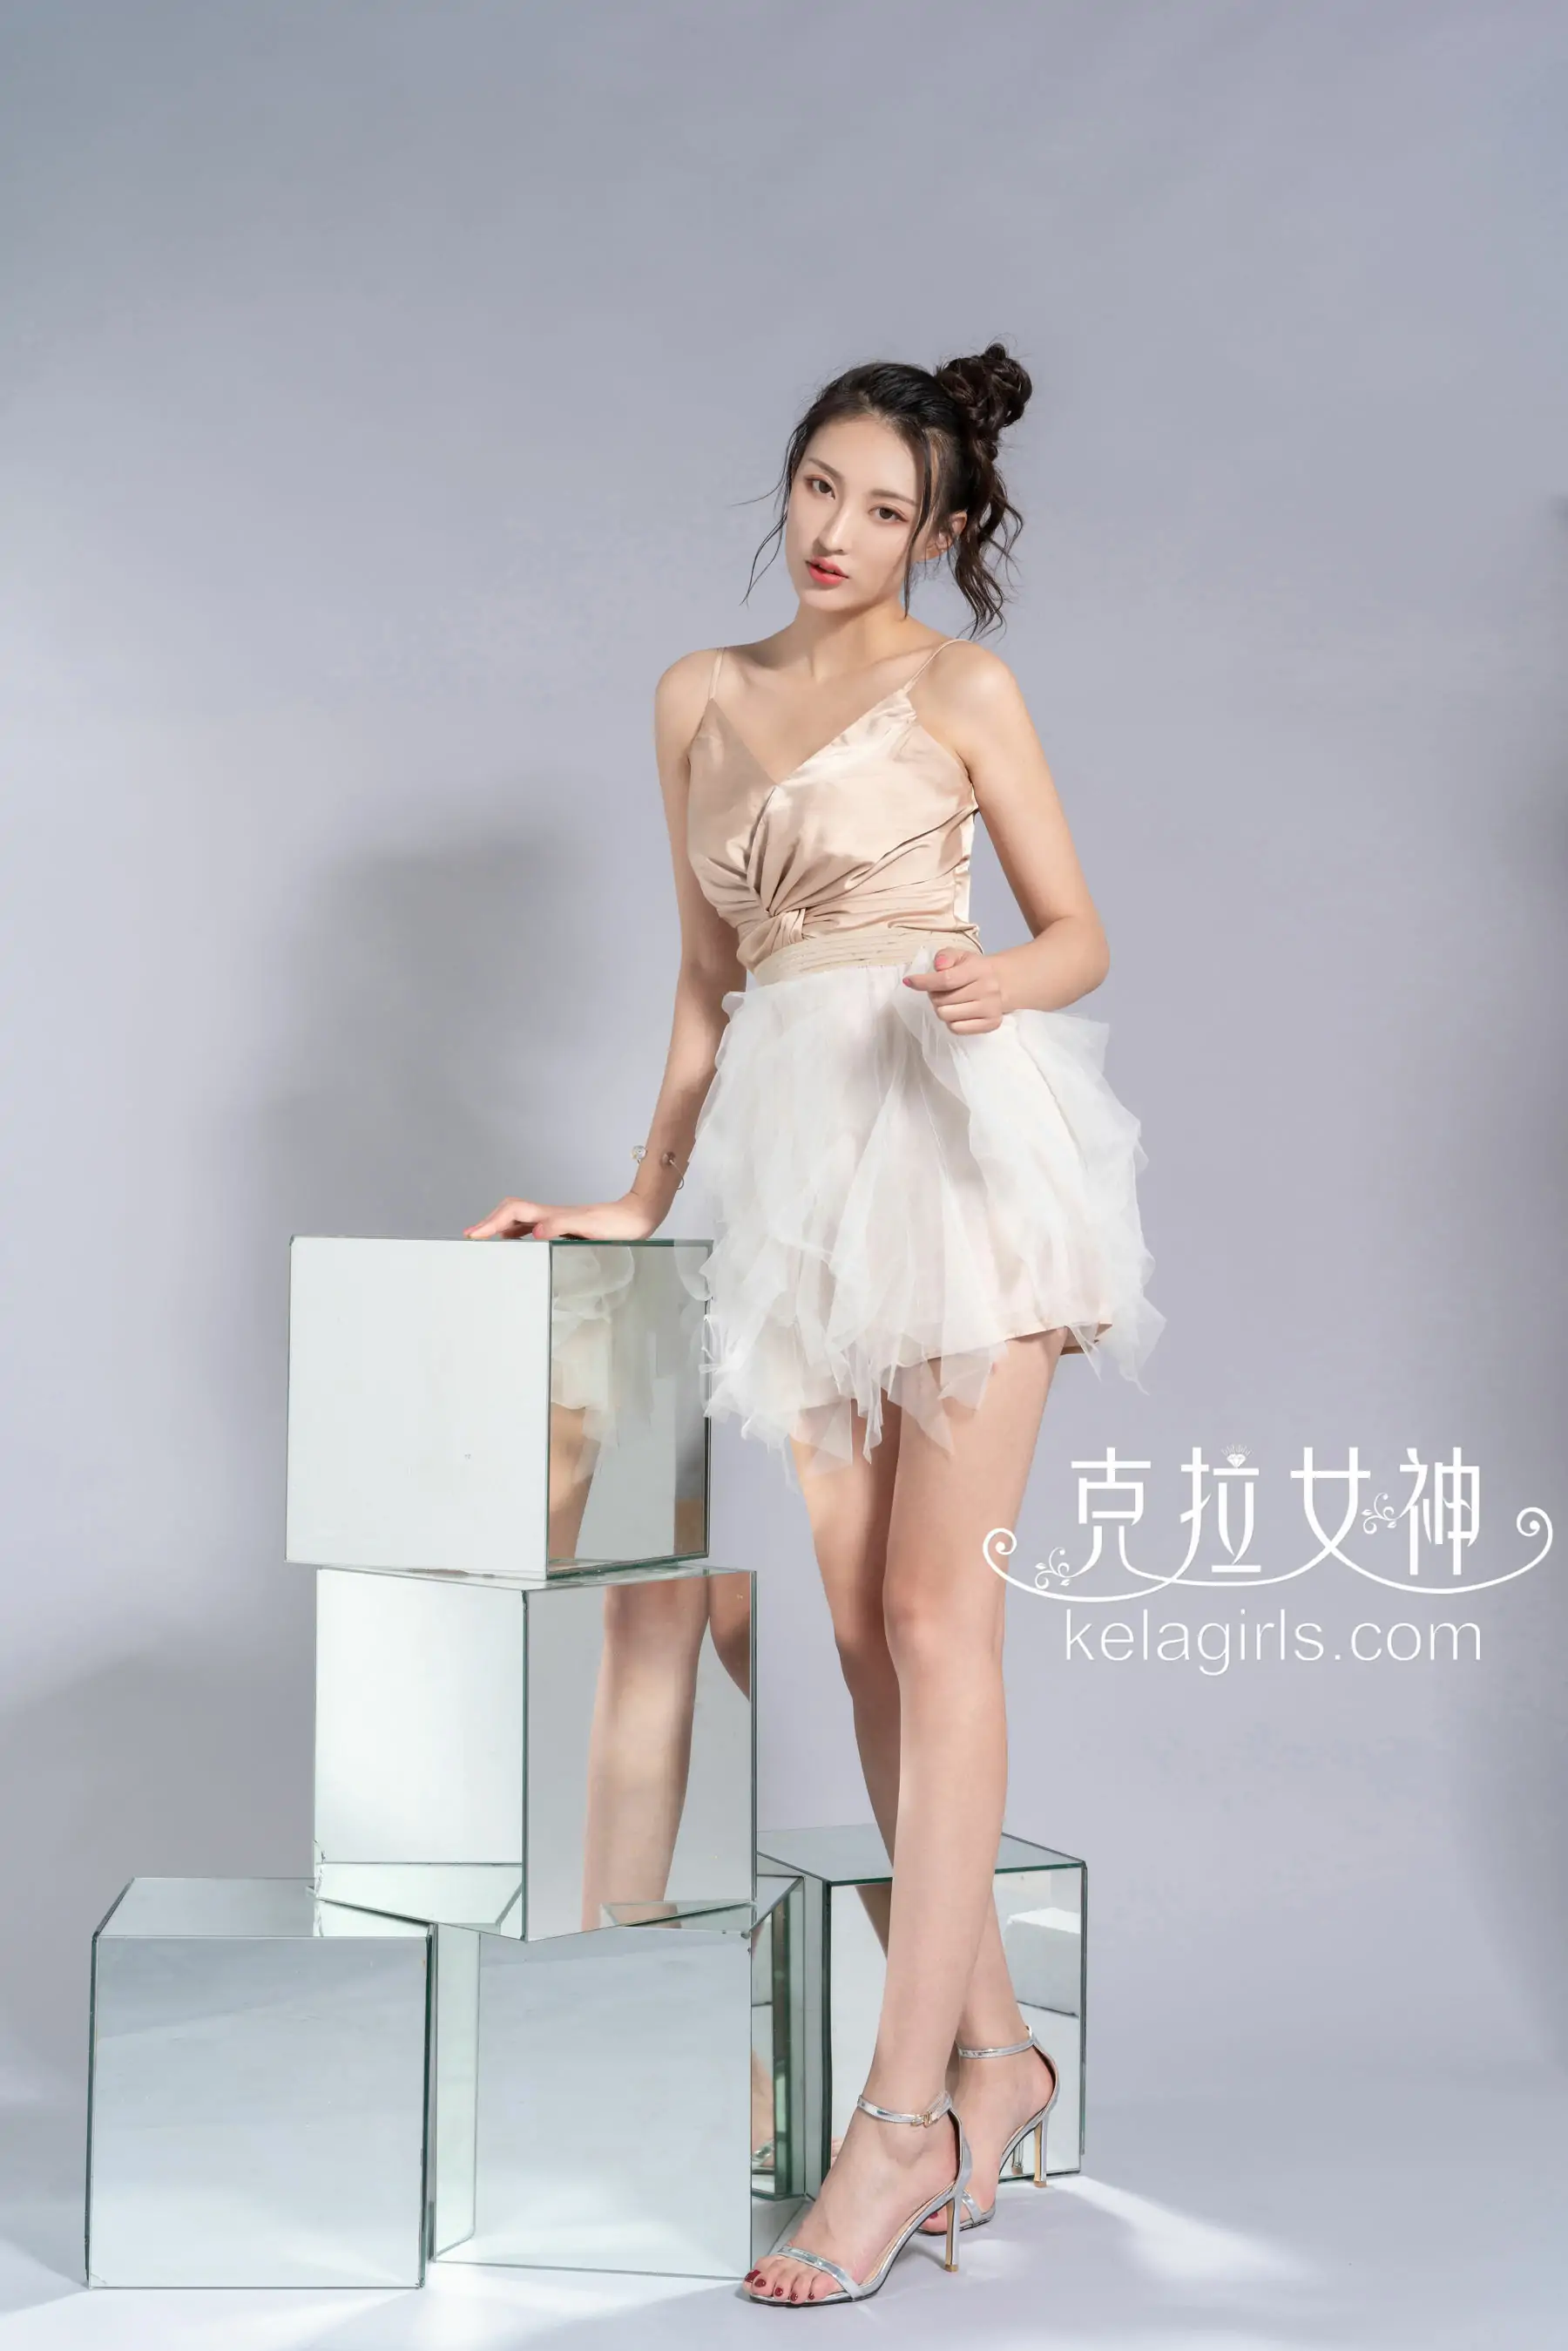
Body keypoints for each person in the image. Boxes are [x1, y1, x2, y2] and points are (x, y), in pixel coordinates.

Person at [465, 342, 1164, 2306]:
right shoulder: (695, 694)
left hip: (958, 1147)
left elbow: (1081, 930)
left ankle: (900, 2123)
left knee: (939, 1622)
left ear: (943, 531)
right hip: (797, 1178)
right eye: (819, 487)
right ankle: (1002, 2055)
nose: (839, 531)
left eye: (886, 507)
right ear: (785, 482)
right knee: (858, 1629)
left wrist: (1002, 982)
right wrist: (640, 1195)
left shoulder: (966, 689)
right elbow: (707, 982)